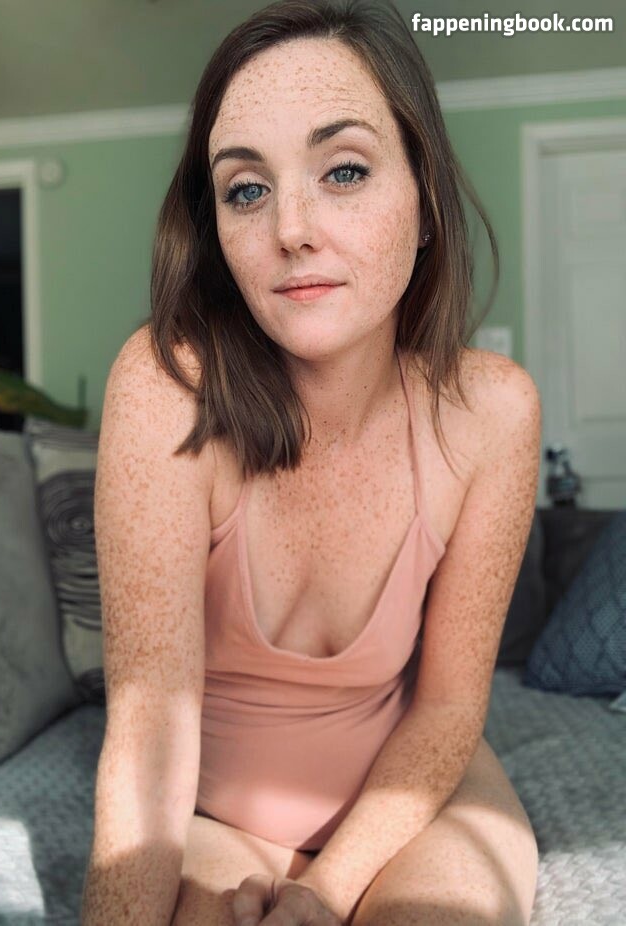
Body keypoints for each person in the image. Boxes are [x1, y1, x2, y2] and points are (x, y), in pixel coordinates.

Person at [81, 1, 542, 924]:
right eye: (246, 190)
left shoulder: (493, 413)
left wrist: (323, 896)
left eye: (344, 170)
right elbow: (149, 723)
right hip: (220, 814)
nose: (290, 228)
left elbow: (449, 711)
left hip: (409, 805)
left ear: (425, 205)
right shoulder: (165, 384)